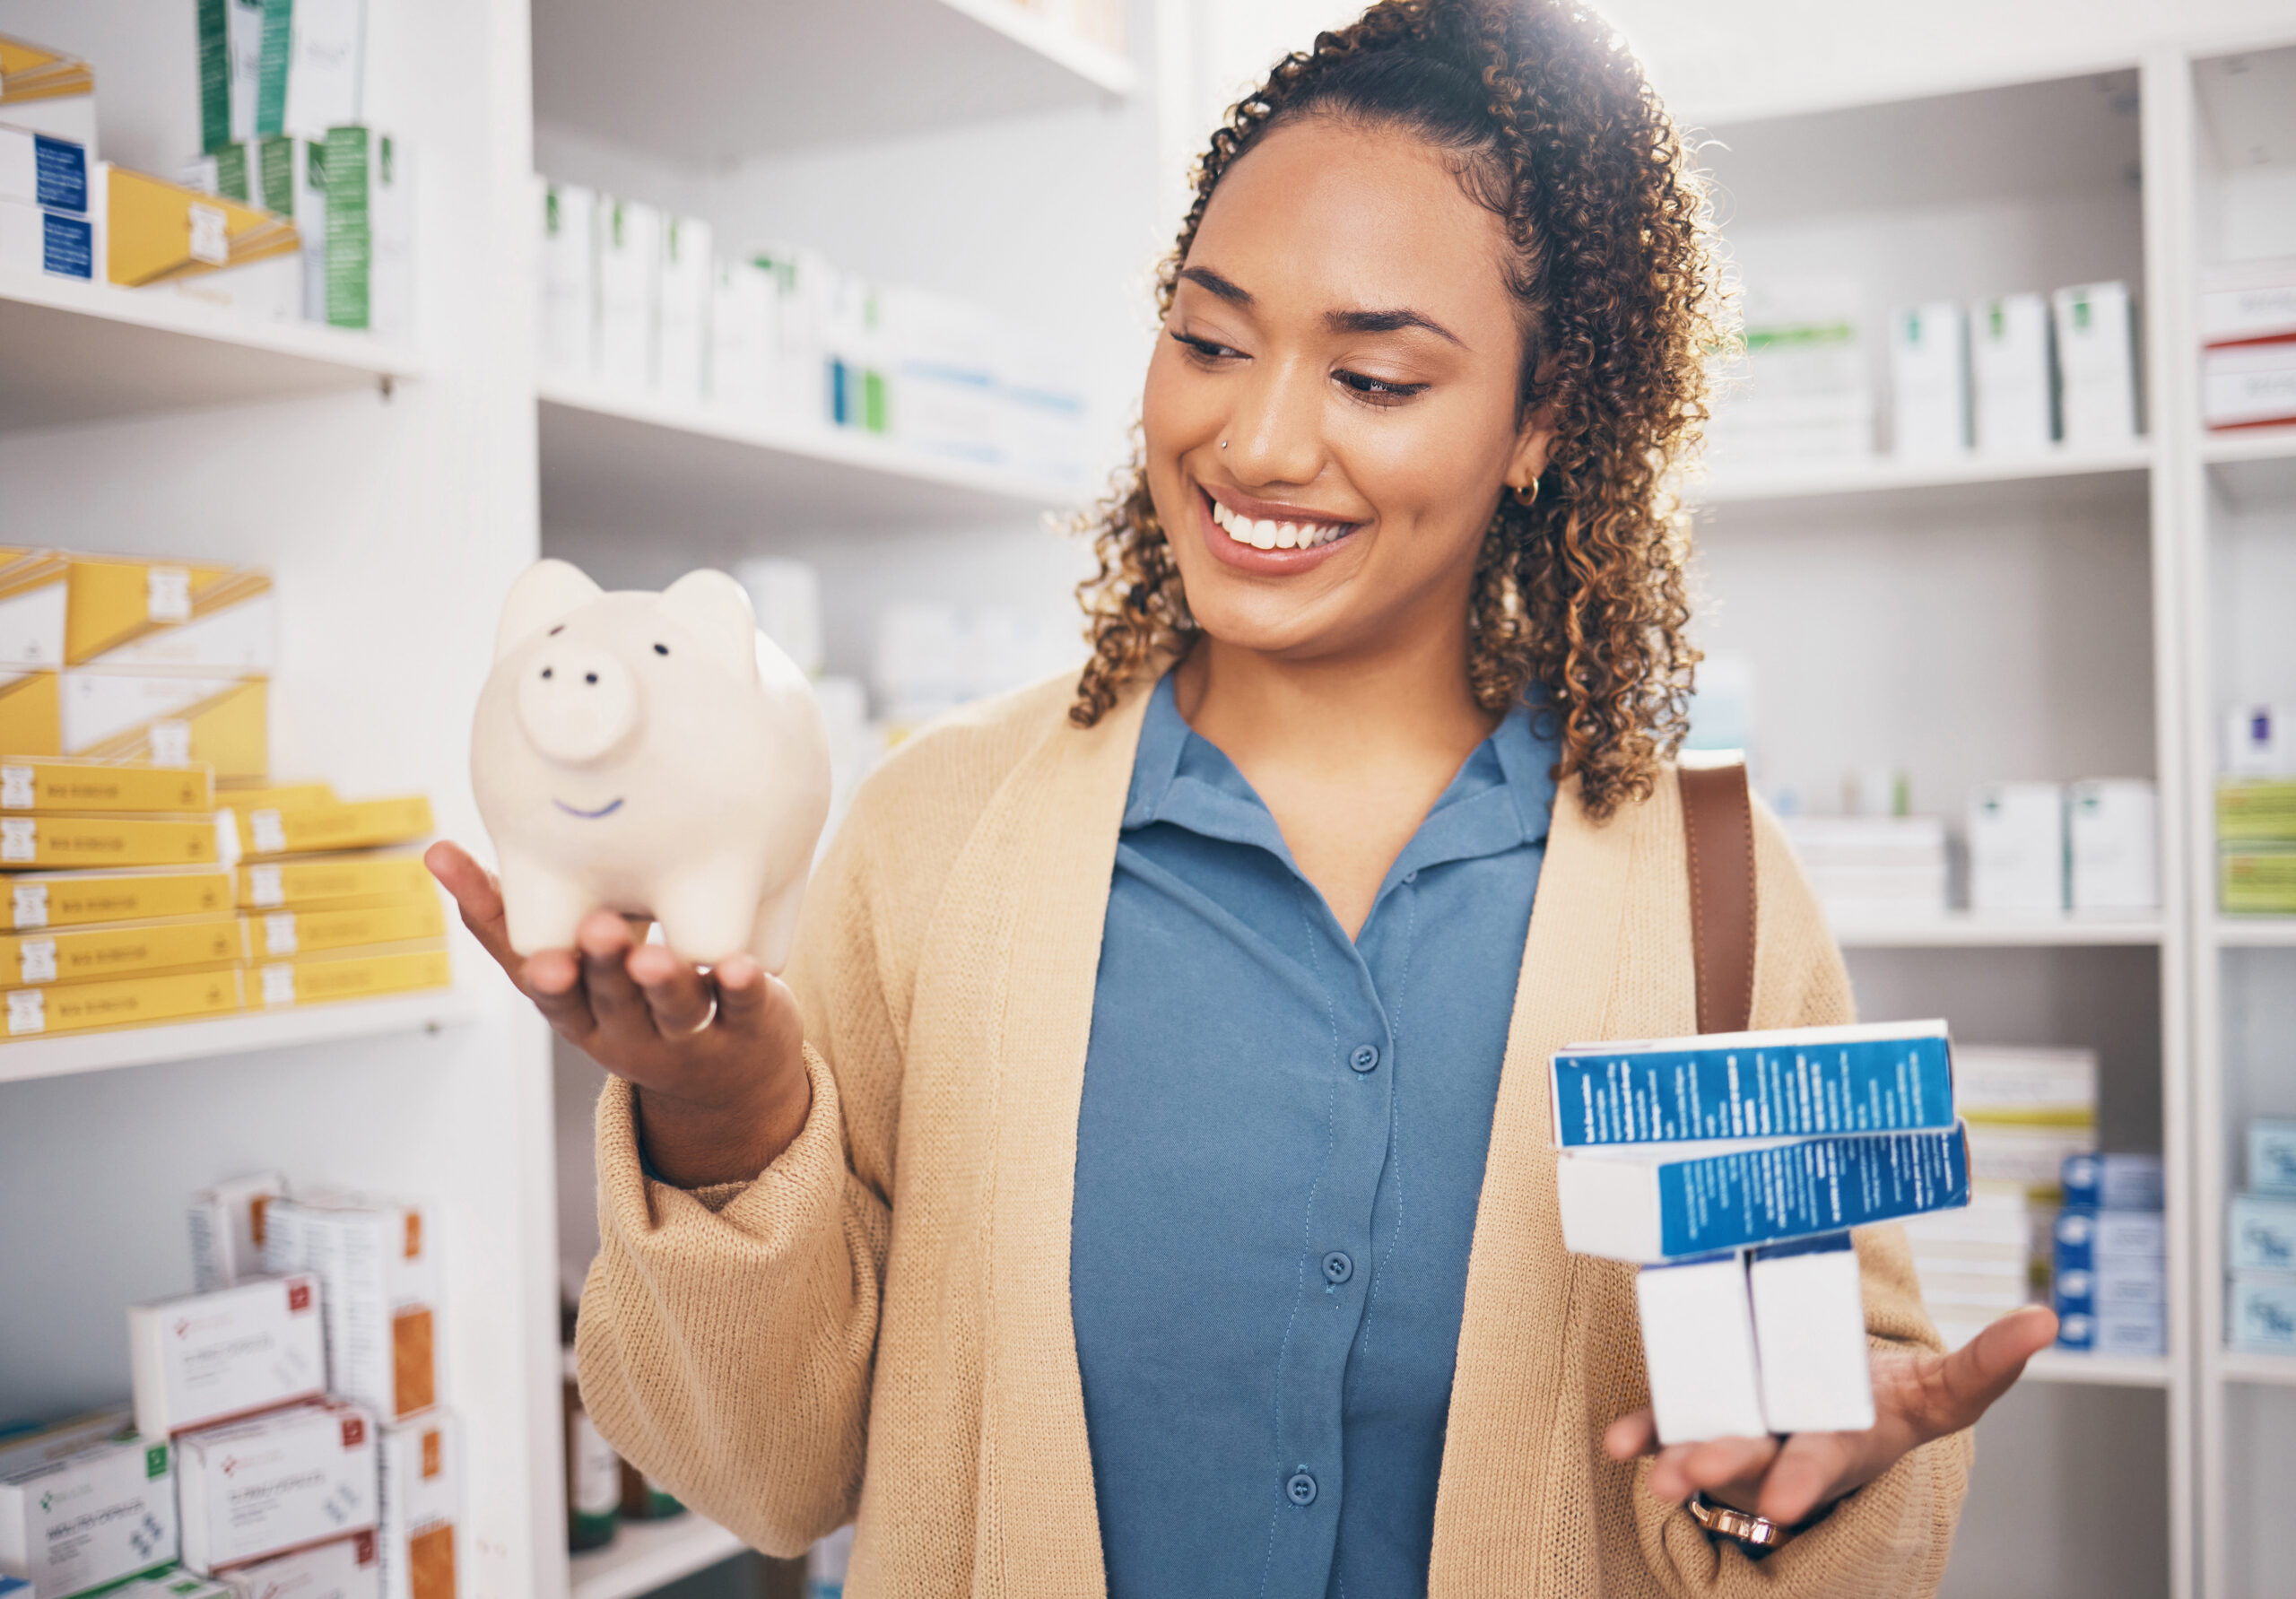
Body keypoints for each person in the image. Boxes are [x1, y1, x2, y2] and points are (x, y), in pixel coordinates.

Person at [430, 1, 2056, 1592]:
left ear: (1541, 419)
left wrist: (1794, 1495)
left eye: (1377, 379)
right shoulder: (938, 834)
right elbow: (768, 1480)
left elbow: (1822, 1469)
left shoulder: (1716, 893)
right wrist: (726, 1120)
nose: (1256, 438)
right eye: (1209, 341)